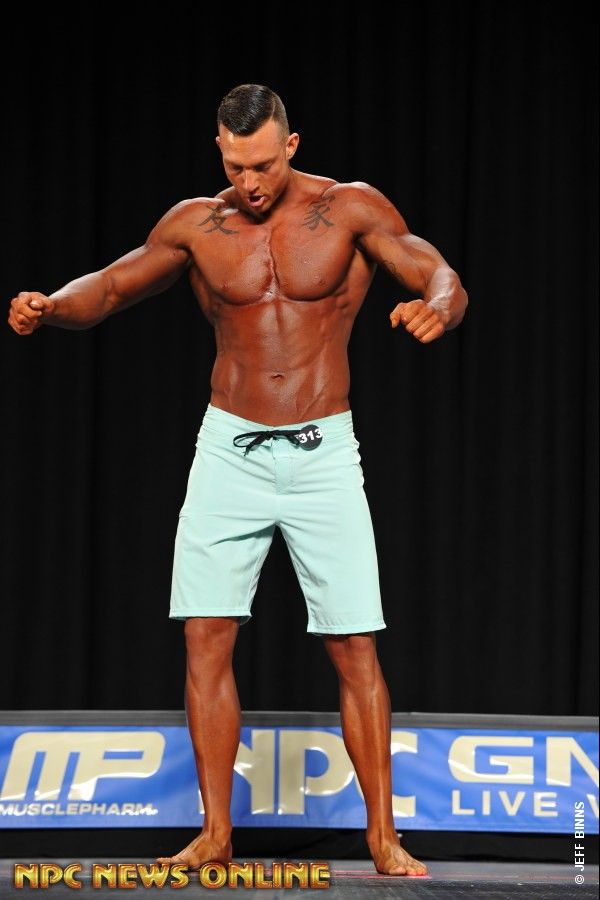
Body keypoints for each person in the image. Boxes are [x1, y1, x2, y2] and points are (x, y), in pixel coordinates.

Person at [8, 83, 467, 876]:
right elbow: (110, 286)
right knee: (205, 635)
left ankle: (384, 838)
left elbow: (436, 270)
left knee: (354, 643)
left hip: (323, 452)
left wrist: (440, 304)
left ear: (291, 145)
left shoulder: (349, 209)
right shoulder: (197, 224)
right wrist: (53, 307)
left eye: (262, 165)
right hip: (228, 449)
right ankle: (215, 833)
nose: (250, 182)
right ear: (219, 152)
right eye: (235, 166)